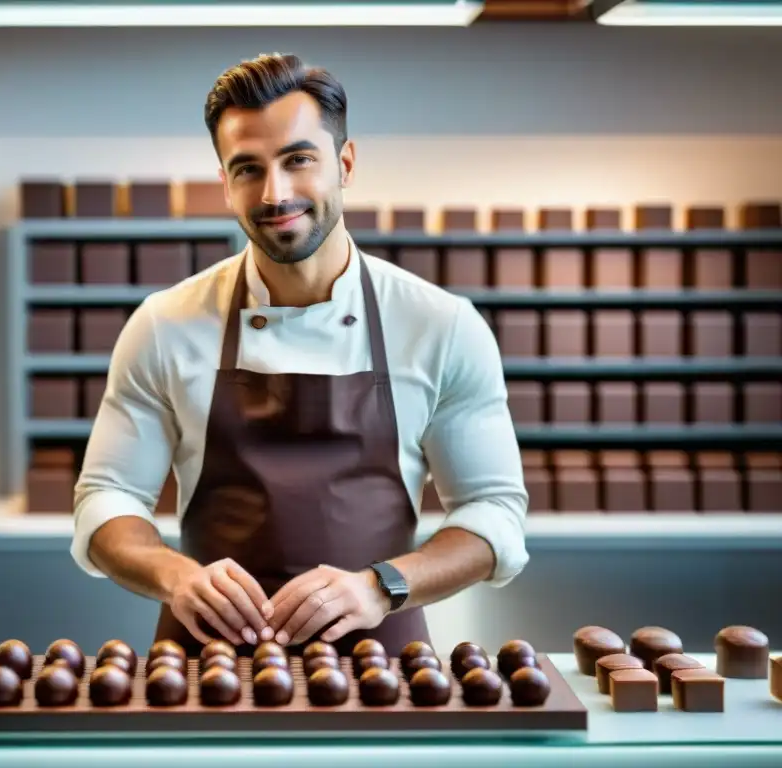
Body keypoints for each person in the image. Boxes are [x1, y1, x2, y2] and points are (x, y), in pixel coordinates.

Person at [70, 52, 529, 657]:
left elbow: (494, 514)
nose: (275, 192)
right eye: (248, 169)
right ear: (225, 184)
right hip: (206, 667)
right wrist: (174, 574)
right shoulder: (165, 325)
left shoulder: (439, 325)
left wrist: (382, 586)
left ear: (344, 163)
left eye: (298, 160)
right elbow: (106, 498)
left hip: (383, 668)